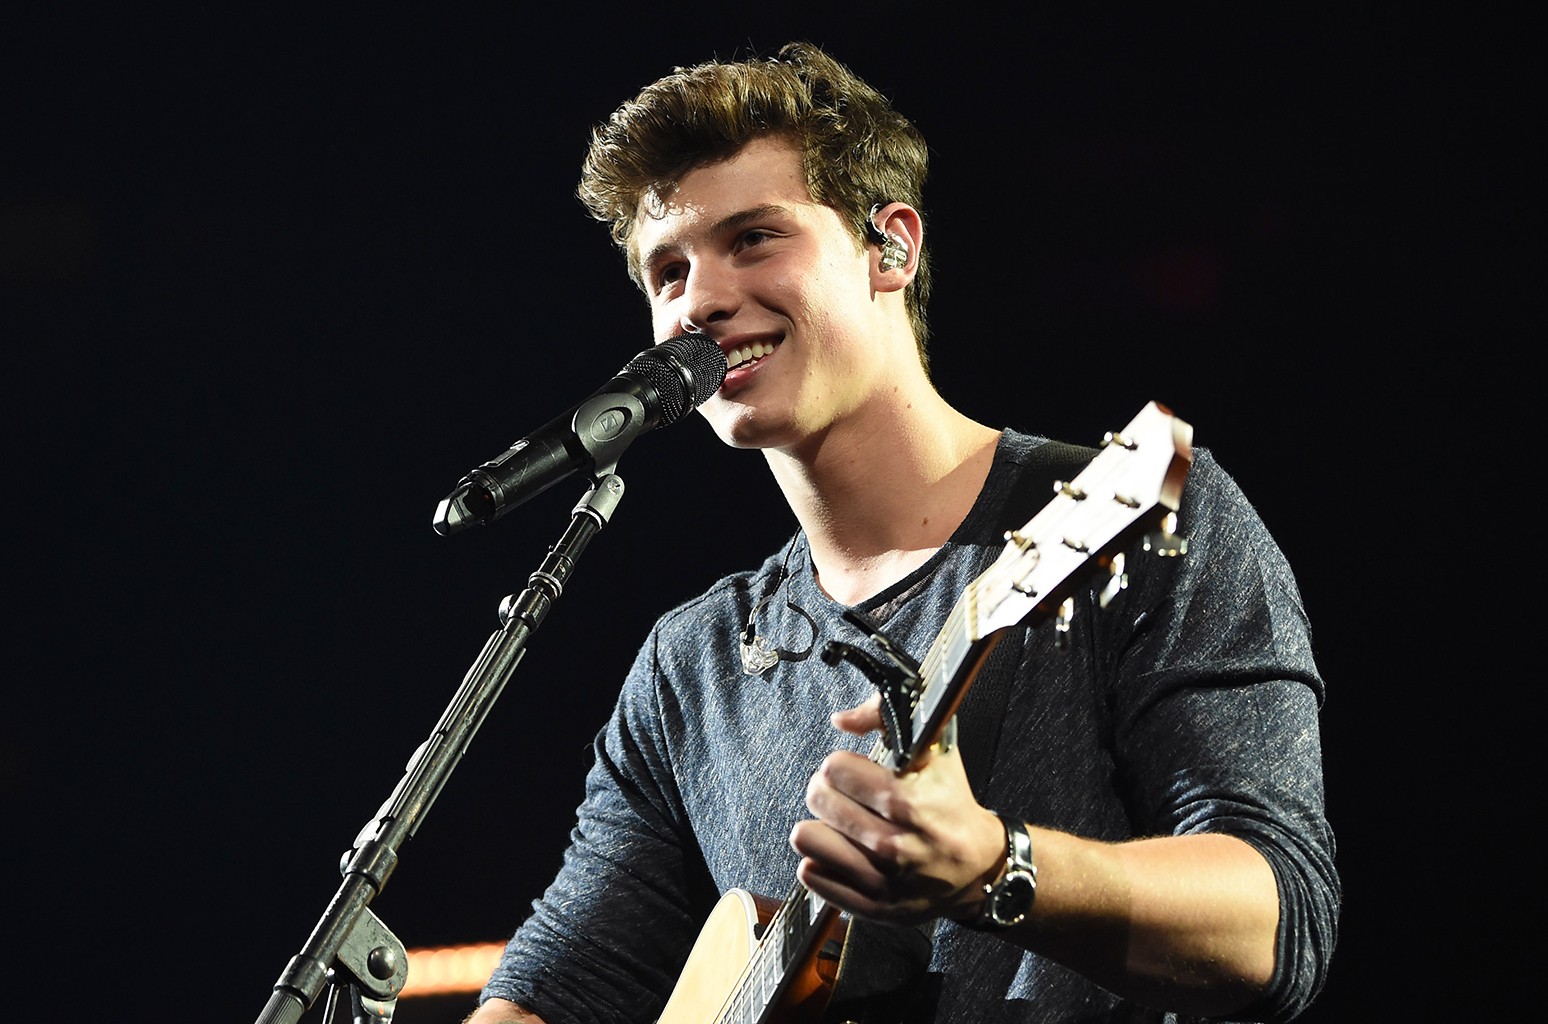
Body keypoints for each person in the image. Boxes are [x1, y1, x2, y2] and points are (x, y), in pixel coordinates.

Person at [467, 41, 1338, 1024]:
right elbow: (556, 989)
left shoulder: (1132, 513)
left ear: (892, 247)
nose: (700, 301)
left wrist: (998, 868)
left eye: (754, 238)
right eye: (669, 270)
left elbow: (1279, 922)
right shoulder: (692, 668)